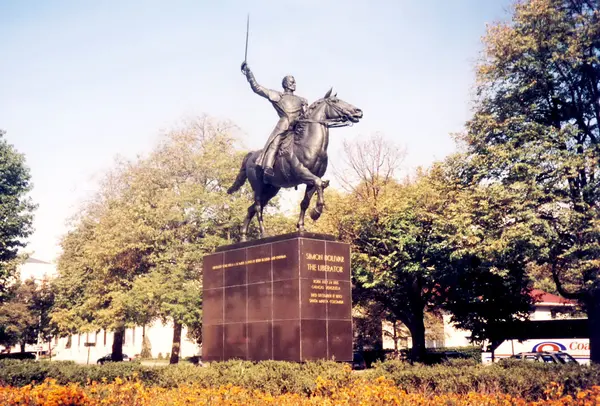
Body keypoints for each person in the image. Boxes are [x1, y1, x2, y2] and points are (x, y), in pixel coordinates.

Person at [241, 62, 308, 181]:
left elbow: (306, 115)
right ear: (285, 84)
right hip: (284, 126)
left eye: (295, 82)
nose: (294, 84)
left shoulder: (301, 100)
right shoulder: (277, 96)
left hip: (297, 128)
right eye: (291, 82)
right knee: (275, 144)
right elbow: (257, 88)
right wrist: (248, 73)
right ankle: (268, 167)